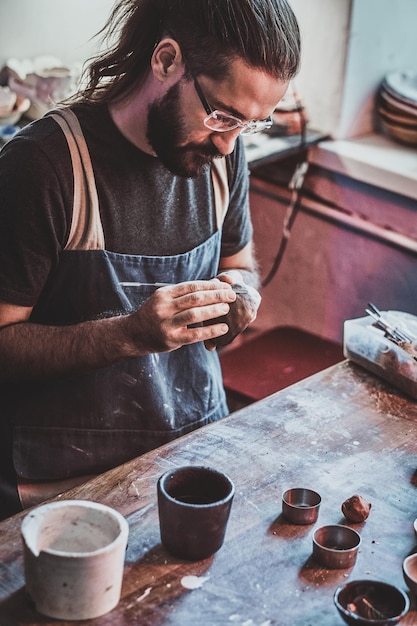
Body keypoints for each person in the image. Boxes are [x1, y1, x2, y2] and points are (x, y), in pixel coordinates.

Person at [0, 0, 300, 519]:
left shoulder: (222, 157)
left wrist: (239, 296)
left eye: (250, 125)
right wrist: (129, 335)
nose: (229, 145)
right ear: (166, 61)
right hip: (63, 491)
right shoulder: (44, 166)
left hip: (191, 456)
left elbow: (239, 264)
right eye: (222, 115)